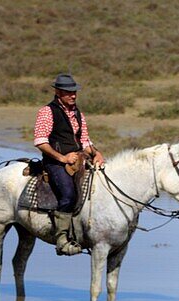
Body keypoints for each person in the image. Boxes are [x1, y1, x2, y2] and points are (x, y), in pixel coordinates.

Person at [33, 74, 105, 256]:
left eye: (74, 92)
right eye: (68, 92)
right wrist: (62, 158)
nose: (73, 96)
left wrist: (96, 154)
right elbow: (40, 142)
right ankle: (62, 240)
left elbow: (85, 141)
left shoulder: (78, 113)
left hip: (79, 159)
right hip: (55, 162)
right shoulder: (47, 112)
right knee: (68, 195)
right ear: (58, 92)